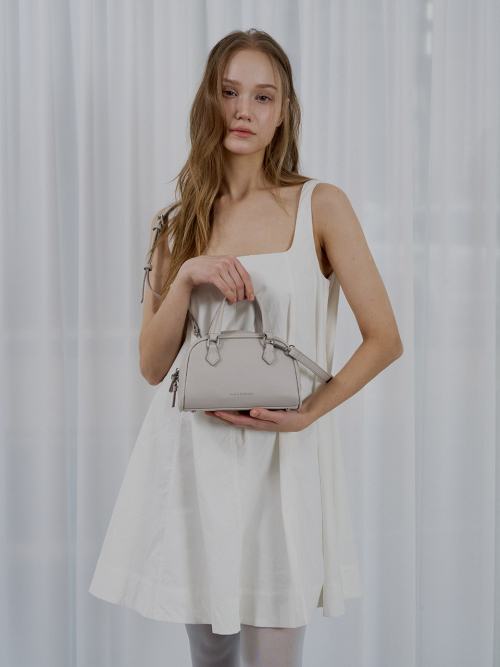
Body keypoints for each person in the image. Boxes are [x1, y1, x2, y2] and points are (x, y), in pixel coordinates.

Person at [89, 28, 403, 666]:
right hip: (193, 464)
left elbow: (385, 339)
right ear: (208, 99)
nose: (244, 111)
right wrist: (187, 275)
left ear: (283, 112)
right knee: (209, 657)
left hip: (282, 466)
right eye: (230, 92)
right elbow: (152, 366)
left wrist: (309, 414)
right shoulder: (174, 223)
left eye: (263, 97)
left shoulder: (320, 205)